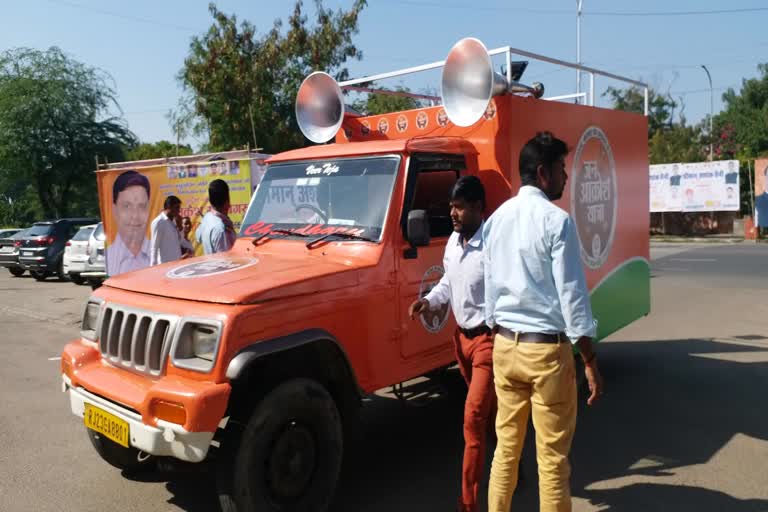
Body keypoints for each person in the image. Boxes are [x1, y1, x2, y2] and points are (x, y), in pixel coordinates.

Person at [484, 132, 604, 512]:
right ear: (543, 172)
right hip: (545, 353)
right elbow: (572, 297)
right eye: (561, 169)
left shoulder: (496, 219)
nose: (566, 177)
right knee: (551, 461)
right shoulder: (557, 221)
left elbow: (490, 289)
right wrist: (589, 360)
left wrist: (500, 333)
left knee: (506, 450)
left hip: (504, 346)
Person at [408, 176, 495, 512]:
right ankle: (512, 464)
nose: (453, 213)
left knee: (473, 418)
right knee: (492, 413)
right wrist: (429, 301)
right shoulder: (453, 243)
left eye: (459, 207)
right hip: (462, 342)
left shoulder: (492, 246)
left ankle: (468, 503)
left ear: (477, 207)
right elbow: (448, 281)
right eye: (451, 207)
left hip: (488, 342)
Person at [106, 170, 151, 275]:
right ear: (114, 210)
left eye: (142, 206)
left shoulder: (158, 254)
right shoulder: (109, 257)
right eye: (127, 206)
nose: (135, 216)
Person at [197, 179, 236, 254]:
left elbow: (198, 237)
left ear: (211, 201)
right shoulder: (220, 228)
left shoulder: (207, 218)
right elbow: (227, 262)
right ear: (227, 201)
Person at [149, 196, 183, 266]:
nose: (179, 211)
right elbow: (154, 246)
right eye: (177, 208)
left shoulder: (173, 221)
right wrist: (153, 267)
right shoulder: (158, 222)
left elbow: (180, 242)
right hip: (165, 265)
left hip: (177, 264)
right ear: (169, 207)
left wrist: (180, 227)